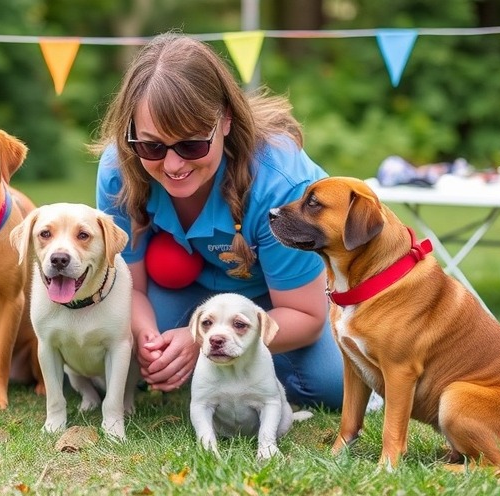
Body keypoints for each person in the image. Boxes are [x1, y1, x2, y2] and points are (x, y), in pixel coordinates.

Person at [94, 33, 343, 410]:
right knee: (109, 351)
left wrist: (200, 342)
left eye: (192, 145)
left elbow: (305, 315)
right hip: (185, 290)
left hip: (274, 300)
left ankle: (229, 371)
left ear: (225, 119)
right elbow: (129, 287)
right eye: (152, 146)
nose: (174, 165)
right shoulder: (119, 169)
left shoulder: (282, 184)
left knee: (330, 386)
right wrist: (148, 341)